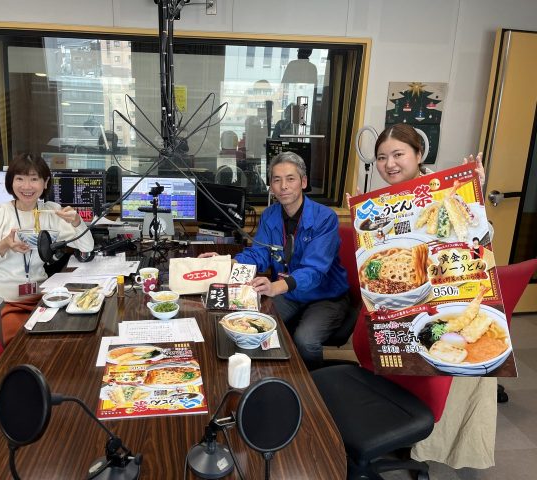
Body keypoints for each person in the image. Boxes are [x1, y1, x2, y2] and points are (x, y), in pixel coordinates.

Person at [348, 123, 495, 470]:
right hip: (394, 309)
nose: (389, 164)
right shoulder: (381, 205)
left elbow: (480, 242)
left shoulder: (444, 193)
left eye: (398, 154)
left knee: (437, 365)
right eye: (381, 157)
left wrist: (475, 197)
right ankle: (389, 429)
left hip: (443, 302)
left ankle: (420, 445)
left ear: (418, 155)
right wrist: (361, 223)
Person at [202, 151, 350, 370]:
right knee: (253, 325)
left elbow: (314, 271)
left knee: (305, 341)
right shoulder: (270, 215)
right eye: (277, 180)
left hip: (325, 296)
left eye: (290, 179)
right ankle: (269, 375)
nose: (284, 186)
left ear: (303, 182)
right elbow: (259, 254)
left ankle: (313, 382)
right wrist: (225, 263)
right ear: (271, 185)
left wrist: (274, 287)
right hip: (289, 293)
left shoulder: (325, 217)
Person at [0, 153, 94, 344]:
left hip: (42, 297)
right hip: (4, 301)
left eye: (34, 179)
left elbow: (87, 246)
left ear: (45, 182)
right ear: (11, 182)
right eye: (20, 179)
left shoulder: (50, 212)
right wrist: (3, 246)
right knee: (24, 344)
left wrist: (77, 222)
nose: (27, 186)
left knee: (74, 334)